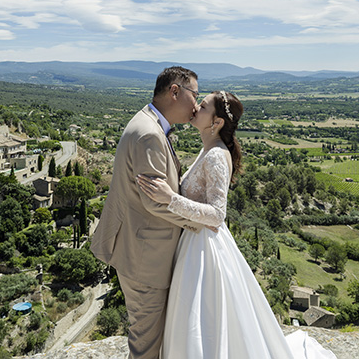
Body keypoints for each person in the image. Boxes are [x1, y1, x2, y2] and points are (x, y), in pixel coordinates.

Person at [137, 91, 336, 359]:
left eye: (203, 105)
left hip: (204, 248)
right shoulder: (207, 149)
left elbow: (218, 215)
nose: (196, 106)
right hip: (194, 242)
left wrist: (170, 199)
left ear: (216, 122)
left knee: (201, 315)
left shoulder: (216, 156)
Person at [91, 66, 207, 359]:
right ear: (175, 92)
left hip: (143, 252)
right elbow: (155, 201)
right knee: (145, 347)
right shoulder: (149, 135)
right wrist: (201, 222)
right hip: (144, 259)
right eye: (196, 95)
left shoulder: (148, 125)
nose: (197, 104)